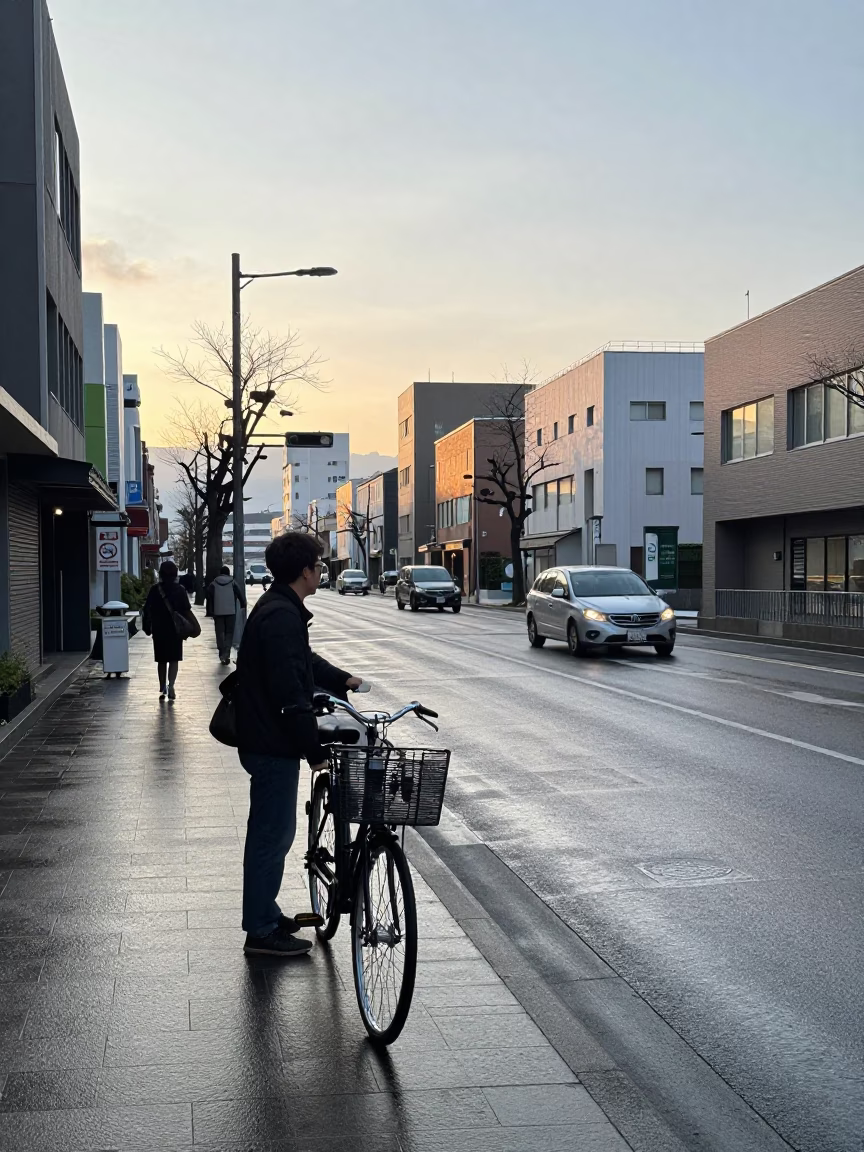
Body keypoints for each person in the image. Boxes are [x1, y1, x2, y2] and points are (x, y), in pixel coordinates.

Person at [235, 531, 361, 957]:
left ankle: (264, 914)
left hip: (266, 738)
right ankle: (261, 930)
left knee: (272, 833)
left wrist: (340, 678)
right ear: (305, 571)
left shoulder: (279, 608)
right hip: (271, 742)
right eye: (319, 566)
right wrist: (313, 749)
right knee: (272, 836)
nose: (321, 572)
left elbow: (300, 662)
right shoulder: (281, 616)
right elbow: (290, 691)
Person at [142, 559, 192, 701]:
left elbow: (147, 609)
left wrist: (147, 626)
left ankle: (162, 685)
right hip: (175, 629)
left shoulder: (155, 589)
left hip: (159, 629)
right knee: (174, 658)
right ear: (175, 574)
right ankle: (171, 686)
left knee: (161, 659)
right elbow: (186, 609)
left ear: (161, 574)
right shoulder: (180, 590)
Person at [206, 565, 246, 664]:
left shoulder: (214, 583)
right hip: (231, 611)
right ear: (228, 573)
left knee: (219, 632)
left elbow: (208, 597)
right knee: (229, 632)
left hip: (218, 611)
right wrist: (243, 604)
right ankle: (226, 653)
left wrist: (210, 610)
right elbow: (240, 594)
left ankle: (221, 652)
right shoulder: (232, 582)